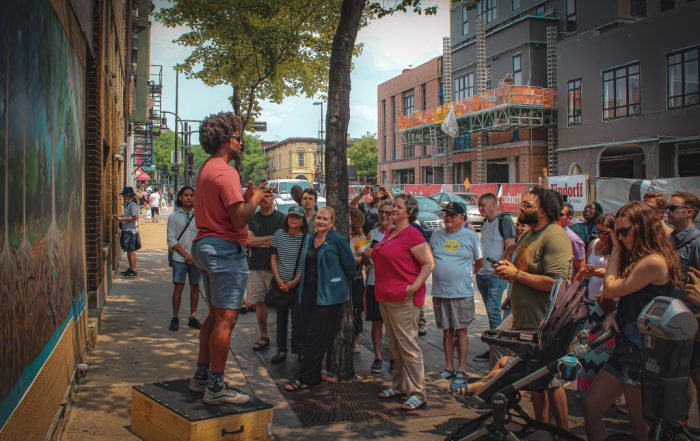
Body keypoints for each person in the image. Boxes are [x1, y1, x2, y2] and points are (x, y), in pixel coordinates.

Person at [187, 112, 271, 406]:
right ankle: (216, 386)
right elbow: (238, 220)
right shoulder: (226, 172)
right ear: (225, 140)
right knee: (226, 319)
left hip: (206, 246)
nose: (240, 143)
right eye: (238, 137)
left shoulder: (206, 169)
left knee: (214, 316)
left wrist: (246, 198)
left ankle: (201, 376)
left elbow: (226, 210)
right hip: (224, 250)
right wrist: (257, 198)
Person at [582, 202, 682, 441]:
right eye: (617, 233)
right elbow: (636, 298)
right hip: (628, 347)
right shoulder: (644, 258)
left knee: (641, 427)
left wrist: (615, 249)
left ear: (643, 228)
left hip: (642, 353)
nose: (621, 237)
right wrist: (616, 314)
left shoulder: (654, 261)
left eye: (624, 232)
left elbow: (611, 288)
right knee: (591, 406)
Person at [493, 186, 573, 430]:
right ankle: (541, 428)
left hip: (544, 323)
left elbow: (558, 283)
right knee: (535, 380)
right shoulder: (528, 235)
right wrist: (509, 270)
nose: (521, 208)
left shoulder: (555, 235)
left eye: (528, 205)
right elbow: (524, 271)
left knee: (552, 382)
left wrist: (516, 274)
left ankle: (562, 432)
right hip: (524, 319)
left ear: (545, 210)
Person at [372, 194, 435, 411]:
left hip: (403, 299)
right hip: (386, 296)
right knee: (396, 345)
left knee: (408, 345)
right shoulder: (390, 231)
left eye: (398, 207)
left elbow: (429, 263)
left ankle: (418, 392)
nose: (393, 210)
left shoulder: (413, 234)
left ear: (408, 212)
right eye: (393, 206)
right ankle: (399, 385)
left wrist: (413, 287)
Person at [285, 207, 355, 391]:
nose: (321, 221)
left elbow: (350, 268)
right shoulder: (309, 240)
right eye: (318, 218)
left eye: (325, 219)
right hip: (307, 294)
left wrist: (334, 283)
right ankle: (313, 374)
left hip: (328, 298)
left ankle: (304, 378)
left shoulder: (337, 241)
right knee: (306, 336)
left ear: (331, 223)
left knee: (314, 338)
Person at [430, 202, 483, 385]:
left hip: (461, 293)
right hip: (440, 292)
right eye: (446, 214)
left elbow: (479, 262)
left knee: (461, 332)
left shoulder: (471, 237)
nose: (448, 218)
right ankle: (448, 367)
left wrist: (465, 275)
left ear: (462, 217)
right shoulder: (436, 235)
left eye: (453, 214)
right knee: (447, 331)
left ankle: (461, 368)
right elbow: (430, 258)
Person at [665, 191, 700, 416]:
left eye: (672, 207)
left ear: (690, 212)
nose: (668, 211)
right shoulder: (670, 240)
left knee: (697, 375)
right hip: (674, 319)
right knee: (682, 375)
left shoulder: (697, 243)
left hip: (694, 321)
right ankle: (680, 423)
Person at [574, 214, 617, 396]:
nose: (602, 236)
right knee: (586, 347)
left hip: (608, 303)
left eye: (606, 233)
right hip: (591, 301)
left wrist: (604, 272)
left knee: (603, 349)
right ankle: (584, 388)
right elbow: (583, 267)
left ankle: (601, 393)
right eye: (598, 231)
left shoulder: (617, 249)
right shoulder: (593, 244)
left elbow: (621, 273)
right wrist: (583, 275)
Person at [475, 193, 516, 361]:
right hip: (482, 275)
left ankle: (497, 350)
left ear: (493, 203)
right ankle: (494, 347)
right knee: (491, 313)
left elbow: (511, 246)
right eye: (479, 206)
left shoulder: (504, 220)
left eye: (483, 205)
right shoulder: (485, 223)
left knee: (493, 313)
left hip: (495, 277)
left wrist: (501, 267)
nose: (480, 209)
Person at [246, 192, 285, 352]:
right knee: (258, 303)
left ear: (273, 199)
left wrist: (258, 241)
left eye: (268, 196)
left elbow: (280, 241)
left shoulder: (282, 218)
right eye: (262, 197)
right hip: (256, 266)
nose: (265, 199)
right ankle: (264, 336)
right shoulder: (252, 218)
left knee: (281, 305)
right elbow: (247, 241)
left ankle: (282, 342)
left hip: (276, 267)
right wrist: (270, 240)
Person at [269, 205, 308, 363]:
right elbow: (273, 258)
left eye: (297, 217)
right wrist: (278, 280)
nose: (293, 219)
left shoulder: (306, 239)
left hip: (297, 285)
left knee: (299, 319)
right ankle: (281, 350)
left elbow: (303, 265)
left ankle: (299, 350)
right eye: (291, 216)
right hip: (280, 283)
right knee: (281, 318)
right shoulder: (279, 234)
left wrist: (293, 282)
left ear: (302, 220)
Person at [364, 199, 393, 373]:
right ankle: (377, 356)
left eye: (388, 212)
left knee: (392, 323)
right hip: (374, 283)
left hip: (392, 285)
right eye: (381, 212)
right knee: (376, 322)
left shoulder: (398, 234)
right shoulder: (372, 234)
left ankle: (395, 356)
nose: (383, 215)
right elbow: (366, 263)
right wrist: (365, 255)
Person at [166, 186, 202, 331]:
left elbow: (202, 236)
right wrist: (186, 255)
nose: (189, 197)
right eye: (185, 195)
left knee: (195, 286)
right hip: (179, 258)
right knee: (178, 286)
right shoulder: (173, 217)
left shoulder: (200, 216)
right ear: (180, 197)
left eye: (191, 195)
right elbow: (171, 239)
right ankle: (175, 317)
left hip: (196, 259)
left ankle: (193, 316)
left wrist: (194, 255)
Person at [349, 206, 367, 354]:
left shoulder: (360, 237)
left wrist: (351, 258)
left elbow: (364, 258)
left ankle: (356, 341)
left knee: (357, 309)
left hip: (355, 276)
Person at [114, 186, 140, 277]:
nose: (123, 196)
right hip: (128, 230)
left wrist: (121, 219)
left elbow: (134, 217)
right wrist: (119, 216)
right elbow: (128, 215)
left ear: (128, 195)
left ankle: (133, 269)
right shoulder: (129, 204)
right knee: (129, 250)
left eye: (124, 195)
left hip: (130, 231)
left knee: (131, 250)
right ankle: (131, 268)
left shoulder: (132, 205)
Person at [558, 202, 586, 278]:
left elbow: (581, 269)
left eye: (560, 214)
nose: (556, 216)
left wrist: (570, 288)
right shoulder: (548, 233)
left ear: (569, 218)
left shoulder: (574, 239)